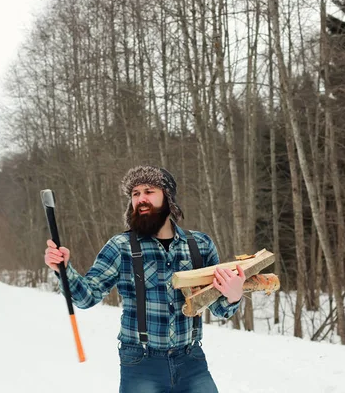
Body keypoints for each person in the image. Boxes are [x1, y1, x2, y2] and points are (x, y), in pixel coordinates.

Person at [44, 165, 245, 392]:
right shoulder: (121, 246)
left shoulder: (200, 245)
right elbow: (86, 297)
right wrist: (64, 269)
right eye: (135, 194)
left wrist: (234, 294)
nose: (141, 198)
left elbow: (220, 309)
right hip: (141, 363)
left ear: (168, 198)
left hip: (192, 361)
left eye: (149, 191)